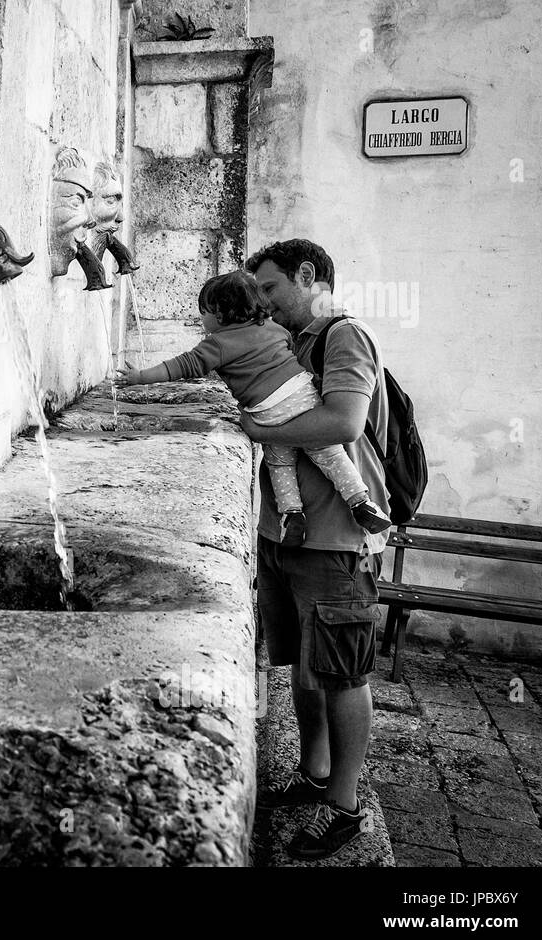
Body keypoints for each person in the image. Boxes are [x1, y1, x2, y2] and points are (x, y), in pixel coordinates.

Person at [239, 238, 389, 860]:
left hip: (335, 541)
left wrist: (258, 428)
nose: (264, 303)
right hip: (286, 535)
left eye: (271, 289)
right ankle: (314, 771)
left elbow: (343, 424)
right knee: (302, 665)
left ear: (308, 276)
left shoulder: (343, 337)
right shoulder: (293, 343)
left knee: (342, 674)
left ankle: (346, 808)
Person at [113, 271, 391, 545]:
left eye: (204, 312)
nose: (202, 319)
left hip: (267, 412)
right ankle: (361, 501)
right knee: (330, 454)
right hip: (302, 396)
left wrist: (140, 377)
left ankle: (292, 514)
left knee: (280, 463)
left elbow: (180, 367)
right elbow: (285, 350)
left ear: (220, 313)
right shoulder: (276, 329)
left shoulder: (217, 344)